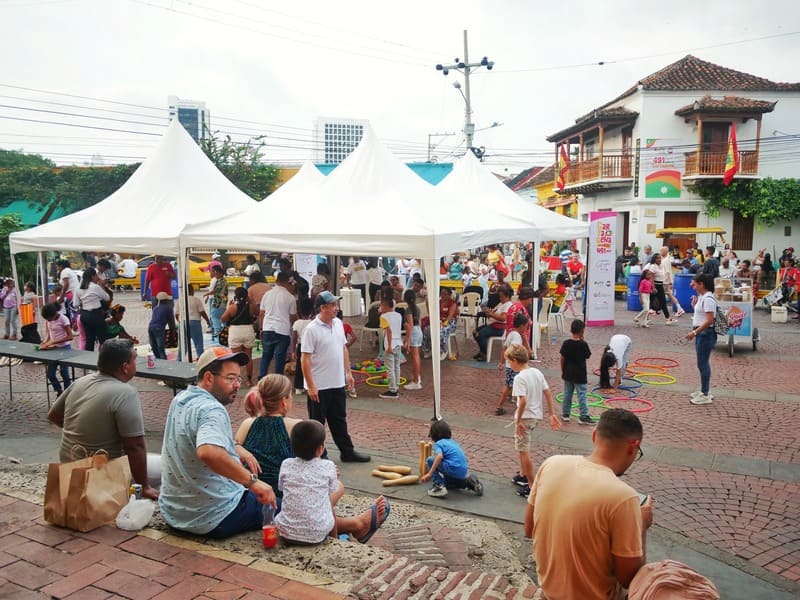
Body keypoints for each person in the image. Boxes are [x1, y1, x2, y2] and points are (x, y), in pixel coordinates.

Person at [524, 408, 653, 600]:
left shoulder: (551, 464)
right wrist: (641, 525)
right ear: (632, 447)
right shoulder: (624, 497)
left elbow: (529, 529)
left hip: (549, 593)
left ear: (594, 436)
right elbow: (629, 579)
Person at [159, 346, 276, 537]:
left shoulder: (181, 399)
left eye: (238, 378)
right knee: (285, 503)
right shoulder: (212, 409)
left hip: (174, 512)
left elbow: (195, 436)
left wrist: (236, 447)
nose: (237, 385)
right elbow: (209, 451)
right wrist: (252, 482)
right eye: (230, 378)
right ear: (208, 378)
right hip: (215, 516)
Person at [47, 338, 159, 500]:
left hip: (69, 467)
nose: (137, 363)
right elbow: (134, 446)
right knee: (164, 468)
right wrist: (145, 487)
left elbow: (54, 415)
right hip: (101, 473)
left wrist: (83, 433)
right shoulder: (125, 393)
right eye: (135, 359)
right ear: (125, 367)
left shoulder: (80, 382)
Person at [275, 419, 390, 544]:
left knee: (321, 500)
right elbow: (332, 489)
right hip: (317, 535)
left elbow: (281, 487)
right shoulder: (328, 466)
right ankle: (336, 540)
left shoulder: (286, 464)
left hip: (285, 532)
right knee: (327, 501)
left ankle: (352, 528)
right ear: (320, 449)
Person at [301, 291, 370, 463]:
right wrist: (311, 385)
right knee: (318, 423)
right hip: (319, 385)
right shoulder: (311, 329)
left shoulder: (338, 323)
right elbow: (305, 358)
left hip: (336, 382)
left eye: (336, 305)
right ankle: (319, 454)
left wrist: (348, 372)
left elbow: (343, 348)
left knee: (339, 419)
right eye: (333, 305)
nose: (336, 308)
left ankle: (347, 451)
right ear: (322, 308)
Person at [507, 344, 560, 497]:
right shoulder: (536, 372)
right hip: (535, 415)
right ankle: (523, 474)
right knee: (522, 448)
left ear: (515, 360)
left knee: (524, 451)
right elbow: (548, 392)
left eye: (510, 362)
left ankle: (531, 485)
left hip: (525, 418)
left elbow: (522, 401)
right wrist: (551, 413)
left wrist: (518, 423)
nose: (509, 365)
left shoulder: (519, 378)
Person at [235, 374, 302, 497]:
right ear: (284, 401)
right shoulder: (297, 427)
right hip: (286, 496)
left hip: (252, 492)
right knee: (337, 487)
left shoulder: (248, 424)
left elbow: (234, 455)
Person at [420, 420, 483, 498]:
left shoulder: (439, 443)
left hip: (452, 467)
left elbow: (439, 457)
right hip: (463, 470)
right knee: (448, 484)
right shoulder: (453, 442)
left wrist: (429, 473)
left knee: (430, 460)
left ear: (434, 434)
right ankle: (471, 483)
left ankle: (439, 486)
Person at [259, 272, 298, 378]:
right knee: (280, 357)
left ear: (277, 281)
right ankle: (278, 381)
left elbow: (261, 313)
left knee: (266, 356)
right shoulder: (290, 297)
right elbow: (293, 316)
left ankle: (261, 378)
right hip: (282, 330)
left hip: (267, 328)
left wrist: (261, 328)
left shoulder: (267, 294)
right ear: (287, 282)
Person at [686, 274, 717, 405]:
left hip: (705, 334)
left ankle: (705, 393)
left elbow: (710, 320)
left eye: (695, 284)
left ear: (701, 284)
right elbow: (702, 315)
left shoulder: (708, 298)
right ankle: (704, 391)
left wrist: (695, 332)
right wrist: (694, 305)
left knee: (703, 363)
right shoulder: (703, 297)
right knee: (702, 363)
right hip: (702, 333)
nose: (692, 286)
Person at [495, 312, 530, 416]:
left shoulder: (511, 334)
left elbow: (504, 348)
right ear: (521, 326)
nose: (526, 329)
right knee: (509, 386)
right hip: (514, 366)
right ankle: (500, 406)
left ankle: (516, 403)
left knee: (511, 385)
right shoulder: (517, 337)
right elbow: (515, 352)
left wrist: (501, 362)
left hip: (510, 365)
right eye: (526, 327)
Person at [559, 319, 592, 425]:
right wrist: (582, 340)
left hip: (568, 372)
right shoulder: (583, 344)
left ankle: (565, 414)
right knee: (581, 394)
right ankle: (584, 415)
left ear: (571, 330)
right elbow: (587, 355)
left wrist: (563, 370)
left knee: (567, 394)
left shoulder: (566, 343)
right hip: (580, 374)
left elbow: (562, 358)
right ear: (582, 331)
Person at [222, 287, 256, 386]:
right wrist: (251, 302)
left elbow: (223, 319)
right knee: (248, 358)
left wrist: (229, 306)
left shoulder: (233, 307)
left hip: (235, 331)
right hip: (248, 330)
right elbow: (256, 313)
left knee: (235, 358)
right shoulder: (250, 306)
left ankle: (236, 381)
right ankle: (249, 381)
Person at [39, 302, 73, 394]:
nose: (48, 321)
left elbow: (70, 336)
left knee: (64, 373)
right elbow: (49, 333)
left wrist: (53, 341)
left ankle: (67, 393)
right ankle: (58, 390)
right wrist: (45, 342)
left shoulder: (64, 319)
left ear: (53, 314)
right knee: (50, 374)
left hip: (64, 348)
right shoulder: (49, 320)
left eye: (49, 319)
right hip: (53, 349)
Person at [473, 284, 512, 362]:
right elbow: (493, 314)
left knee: (480, 334)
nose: (500, 298)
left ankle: (485, 353)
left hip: (499, 328)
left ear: (507, 296)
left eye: (501, 296)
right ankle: (482, 351)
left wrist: (490, 314)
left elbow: (503, 318)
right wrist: (488, 311)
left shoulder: (508, 305)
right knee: (475, 332)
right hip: (493, 325)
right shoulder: (501, 304)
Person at [76, 267, 111, 351]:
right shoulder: (95, 287)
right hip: (96, 314)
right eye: (96, 276)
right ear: (92, 276)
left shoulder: (78, 288)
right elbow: (107, 298)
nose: (97, 278)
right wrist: (100, 285)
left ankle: (89, 360)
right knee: (102, 339)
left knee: (89, 339)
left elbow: (75, 304)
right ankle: (103, 359)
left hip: (84, 315)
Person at [378, 293, 403, 399]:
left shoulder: (384, 317)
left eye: (381, 305)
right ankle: (396, 387)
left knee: (390, 368)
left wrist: (388, 346)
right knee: (397, 366)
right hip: (398, 343)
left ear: (385, 306)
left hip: (390, 344)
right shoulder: (399, 315)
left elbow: (388, 331)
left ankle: (392, 390)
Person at [424, 287, 459, 361]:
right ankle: (429, 349)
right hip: (439, 321)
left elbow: (450, 315)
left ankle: (443, 350)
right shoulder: (438, 302)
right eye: (442, 294)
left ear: (449, 295)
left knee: (441, 331)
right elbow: (433, 312)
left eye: (445, 294)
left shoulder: (452, 303)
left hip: (450, 322)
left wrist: (445, 323)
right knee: (427, 329)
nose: (443, 295)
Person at [175, 284, 209, 359]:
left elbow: (176, 314)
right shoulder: (196, 300)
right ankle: (200, 358)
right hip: (195, 322)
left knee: (183, 344)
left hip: (183, 322)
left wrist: (180, 322)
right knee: (198, 342)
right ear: (192, 291)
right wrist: (208, 321)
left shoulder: (180, 300)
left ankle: (180, 359)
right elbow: (202, 312)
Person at [289, 298, 314, 394]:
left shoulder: (297, 323)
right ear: (312, 310)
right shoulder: (313, 323)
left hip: (300, 347)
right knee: (311, 367)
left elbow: (294, 338)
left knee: (300, 367)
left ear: (299, 311)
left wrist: (293, 351)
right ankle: (309, 385)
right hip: (311, 347)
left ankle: (298, 387)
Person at [644, 254, 675, 324]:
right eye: (657, 258)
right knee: (650, 302)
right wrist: (653, 287)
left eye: (660, 258)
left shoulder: (660, 266)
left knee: (663, 302)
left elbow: (662, 276)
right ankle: (644, 318)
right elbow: (651, 278)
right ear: (654, 259)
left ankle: (668, 319)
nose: (659, 259)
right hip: (655, 285)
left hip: (660, 285)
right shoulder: (653, 266)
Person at [402, 289, 422, 390]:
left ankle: (416, 381)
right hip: (418, 331)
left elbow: (410, 325)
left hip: (413, 332)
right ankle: (417, 376)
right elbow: (418, 322)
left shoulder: (409, 310)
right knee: (417, 356)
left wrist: (407, 341)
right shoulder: (417, 308)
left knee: (414, 357)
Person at [205, 264, 228, 341]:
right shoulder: (221, 280)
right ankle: (224, 333)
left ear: (220, 273)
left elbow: (216, 290)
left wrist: (207, 294)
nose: (215, 274)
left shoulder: (221, 281)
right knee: (222, 318)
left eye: (216, 273)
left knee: (215, 317)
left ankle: (219, 335)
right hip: (221, 302)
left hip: (218, 302)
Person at [55, 259, 80, 325]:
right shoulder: (69, 270)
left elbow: (66, 284)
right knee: (74, 311)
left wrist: (61, 296)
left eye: (57, 266)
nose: (57, 268)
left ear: (61, 266)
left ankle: (75, 327)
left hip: (71, 294)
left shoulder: (64, 271)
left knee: (72, 312)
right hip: (74, 293)